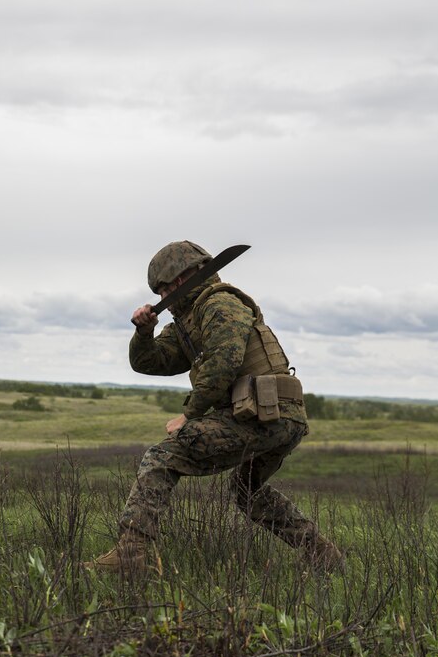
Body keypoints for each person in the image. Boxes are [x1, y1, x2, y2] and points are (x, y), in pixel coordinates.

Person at [86, 241, 343, 574]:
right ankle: (323, 555)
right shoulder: (188, 322)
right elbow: (149, 362)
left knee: (162, 457)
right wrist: (144, 333)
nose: (164, 296)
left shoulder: (220, 304)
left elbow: (224, 362)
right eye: (160, 291)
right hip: (267, 417)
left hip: (267, 416)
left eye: (166, 288)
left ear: (184, 279)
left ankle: (130, 558)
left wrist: (189, 415)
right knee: (245, 490)